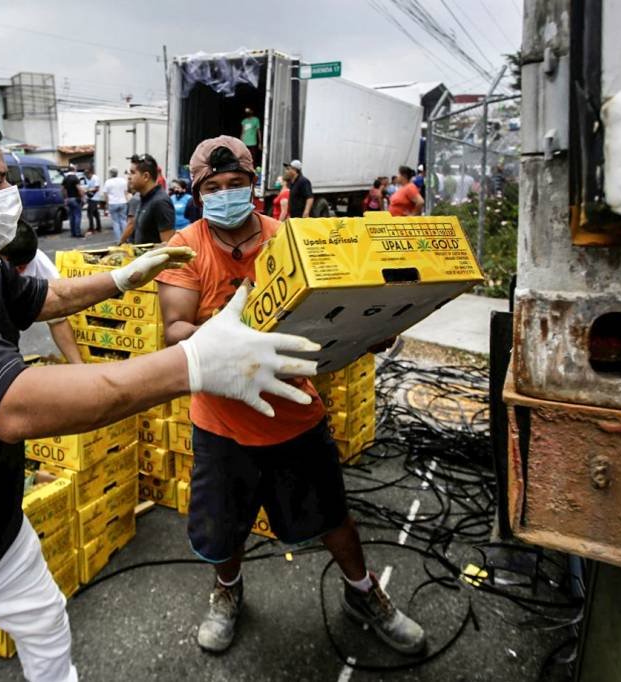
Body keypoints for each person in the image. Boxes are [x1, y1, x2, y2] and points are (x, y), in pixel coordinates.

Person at [0, 118, 319, 682]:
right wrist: (195, 363)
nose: (11, 195)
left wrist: (121, 280)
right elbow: (16, 407)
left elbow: (42, 297)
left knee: (48, 631)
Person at [155, 136, 427, 657]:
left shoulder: (291, 241)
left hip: (295, 415)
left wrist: (372, 324)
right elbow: (175, 328)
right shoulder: (185, 248)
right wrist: (226, 338)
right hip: (222, 422)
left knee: (333, 517)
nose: (226, 194)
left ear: (253, 185)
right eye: (214, 187)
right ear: (198, 192)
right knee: (224, 528)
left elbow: (336, 309)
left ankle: (365, 594)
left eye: (237, 184)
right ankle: (227, 594)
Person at [0, 220, 83, 364]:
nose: (20, 272)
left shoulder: (38, 261)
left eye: (23, 267)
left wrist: (79, 366)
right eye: (15, 268)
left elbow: (57, 320)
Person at [120, 153, 174, 244]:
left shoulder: (160, 202)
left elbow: (168, 246)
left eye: (133, 173)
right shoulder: (143, 198)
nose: (129, 177)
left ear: (146, 176)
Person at [102, 168, 129, 242]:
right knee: (123, 220)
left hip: (113, 203)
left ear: (110, 174)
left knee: (115, 222)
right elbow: (126, 192)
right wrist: (127, 201)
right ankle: (126, 238)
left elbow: (106, 195)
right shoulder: (123, 180)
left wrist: (107, 204)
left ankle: (119, 240)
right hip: (123, 202)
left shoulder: (108, 182)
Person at [61, 167, 84, 238]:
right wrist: (82, 197)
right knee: (77, 216)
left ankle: (73, 232)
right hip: (75, 199)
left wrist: (65, 198)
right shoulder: (75, 178)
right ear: (74, 170)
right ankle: (78, 233)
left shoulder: (65, 178)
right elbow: (79, 189)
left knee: (71, 217)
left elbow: (62, 189)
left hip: (69, 199)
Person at [83, 169, 102, 234]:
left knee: (89, 213)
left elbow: (97, 188)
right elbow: (88, 186)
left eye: (87, 175)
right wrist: (85, 189)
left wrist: (88, 191)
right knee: (96, 213)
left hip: (95, 198)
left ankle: (91, 228)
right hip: (91, 198)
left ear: (90, 173)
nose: (87, 177)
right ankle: (99, 227)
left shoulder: (95, 178)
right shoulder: (90, 179)